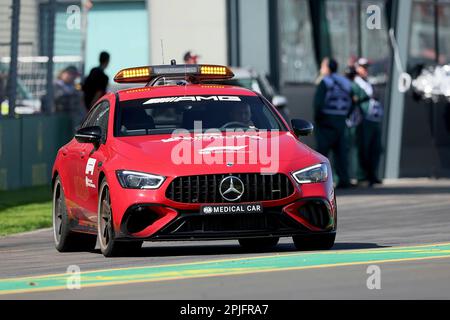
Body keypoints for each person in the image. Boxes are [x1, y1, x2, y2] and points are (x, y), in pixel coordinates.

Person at [313, 58, 354, 188]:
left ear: (327, 68)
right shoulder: (346, 82)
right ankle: (344, 180)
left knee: (321, 154)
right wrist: (345, 116)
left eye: (322, 66)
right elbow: (353, 102)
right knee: (341, 153)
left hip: (327, 121)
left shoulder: (325, 81)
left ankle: (319, 182)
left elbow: (318, 103)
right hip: (341, 121)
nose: (321, 69)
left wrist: (318, 119)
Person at [353, 58, 383, 186]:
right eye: (362, 67)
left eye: (366, 67)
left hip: (374, 119)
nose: (365, 70)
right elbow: (356, 98)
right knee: (363, 148)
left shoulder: (369, 82)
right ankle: (362, 176)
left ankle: (372, 175)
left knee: (375, 148)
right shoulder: (355, 83)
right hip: (363, 120)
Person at [54, 65, 85, 132]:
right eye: (70, 73)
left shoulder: (74, 86)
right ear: (63, 73)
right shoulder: (56, 84)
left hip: (73, 117)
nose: (72, 77)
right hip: (60, 116)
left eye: (74, 75)